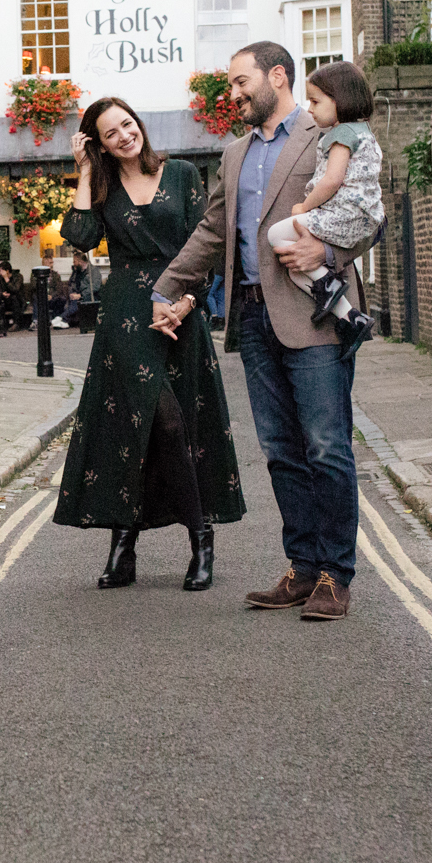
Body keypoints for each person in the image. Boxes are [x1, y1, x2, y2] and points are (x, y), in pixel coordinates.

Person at [151, 41, 374, 622]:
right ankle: (301, 570)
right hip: (252, 318)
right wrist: (167, 288)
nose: (234, 92)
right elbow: (212, 230)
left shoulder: (327, 134)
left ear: (278, 76)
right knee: (279, 452)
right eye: (230, 84)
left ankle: (335, 575)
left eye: (240, 81)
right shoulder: (233, 154)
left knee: (326, 447)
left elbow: (368, 211)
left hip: (313, 313)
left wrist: (324, 246)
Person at [53, 96, 246, 591]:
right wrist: (82, 171)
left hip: (180, 312)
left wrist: (186, 303)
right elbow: (77, 235)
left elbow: (208, 243)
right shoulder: (101, 184)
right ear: (99, 143)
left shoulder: (181, 173)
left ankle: (200, 540)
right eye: (110, 133)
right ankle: (124, 545)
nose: (124, 135)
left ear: (138, 123)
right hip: (126, 319)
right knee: (145, 423)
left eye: (127, 123)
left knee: (178, 424)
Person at [265, 60, 382, 356]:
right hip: (362, 217)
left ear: (340, 100)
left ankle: (331, 291)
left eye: (316, 100)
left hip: (343, 215)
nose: (310, 107)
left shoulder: (341, 136)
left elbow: (331, 181)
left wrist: (304, 206)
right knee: (295, 271)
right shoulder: (364, 132)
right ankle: (351, 318)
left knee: (277, 234)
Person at [54, 251, 91, 329]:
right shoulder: (77, 272)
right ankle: (64, 321)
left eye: (75, 261)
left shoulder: (91, 271)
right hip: (77, 295)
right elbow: (72, 284)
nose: (73, 263)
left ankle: (61, 318)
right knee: (72, 301)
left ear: (80, 261)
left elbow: (93, 287)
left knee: (75, 303)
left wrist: (80, 295)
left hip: (87, 296)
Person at [0, 260, 30, 331]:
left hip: (19, 301)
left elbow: (16, 289)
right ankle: (1, 323)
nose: (0, 273)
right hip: (6, 300)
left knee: (14, 298)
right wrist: (3, 294)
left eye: (1, 271)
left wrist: (6, 279)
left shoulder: (18, 276)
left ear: (7, 271)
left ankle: (16, 324)